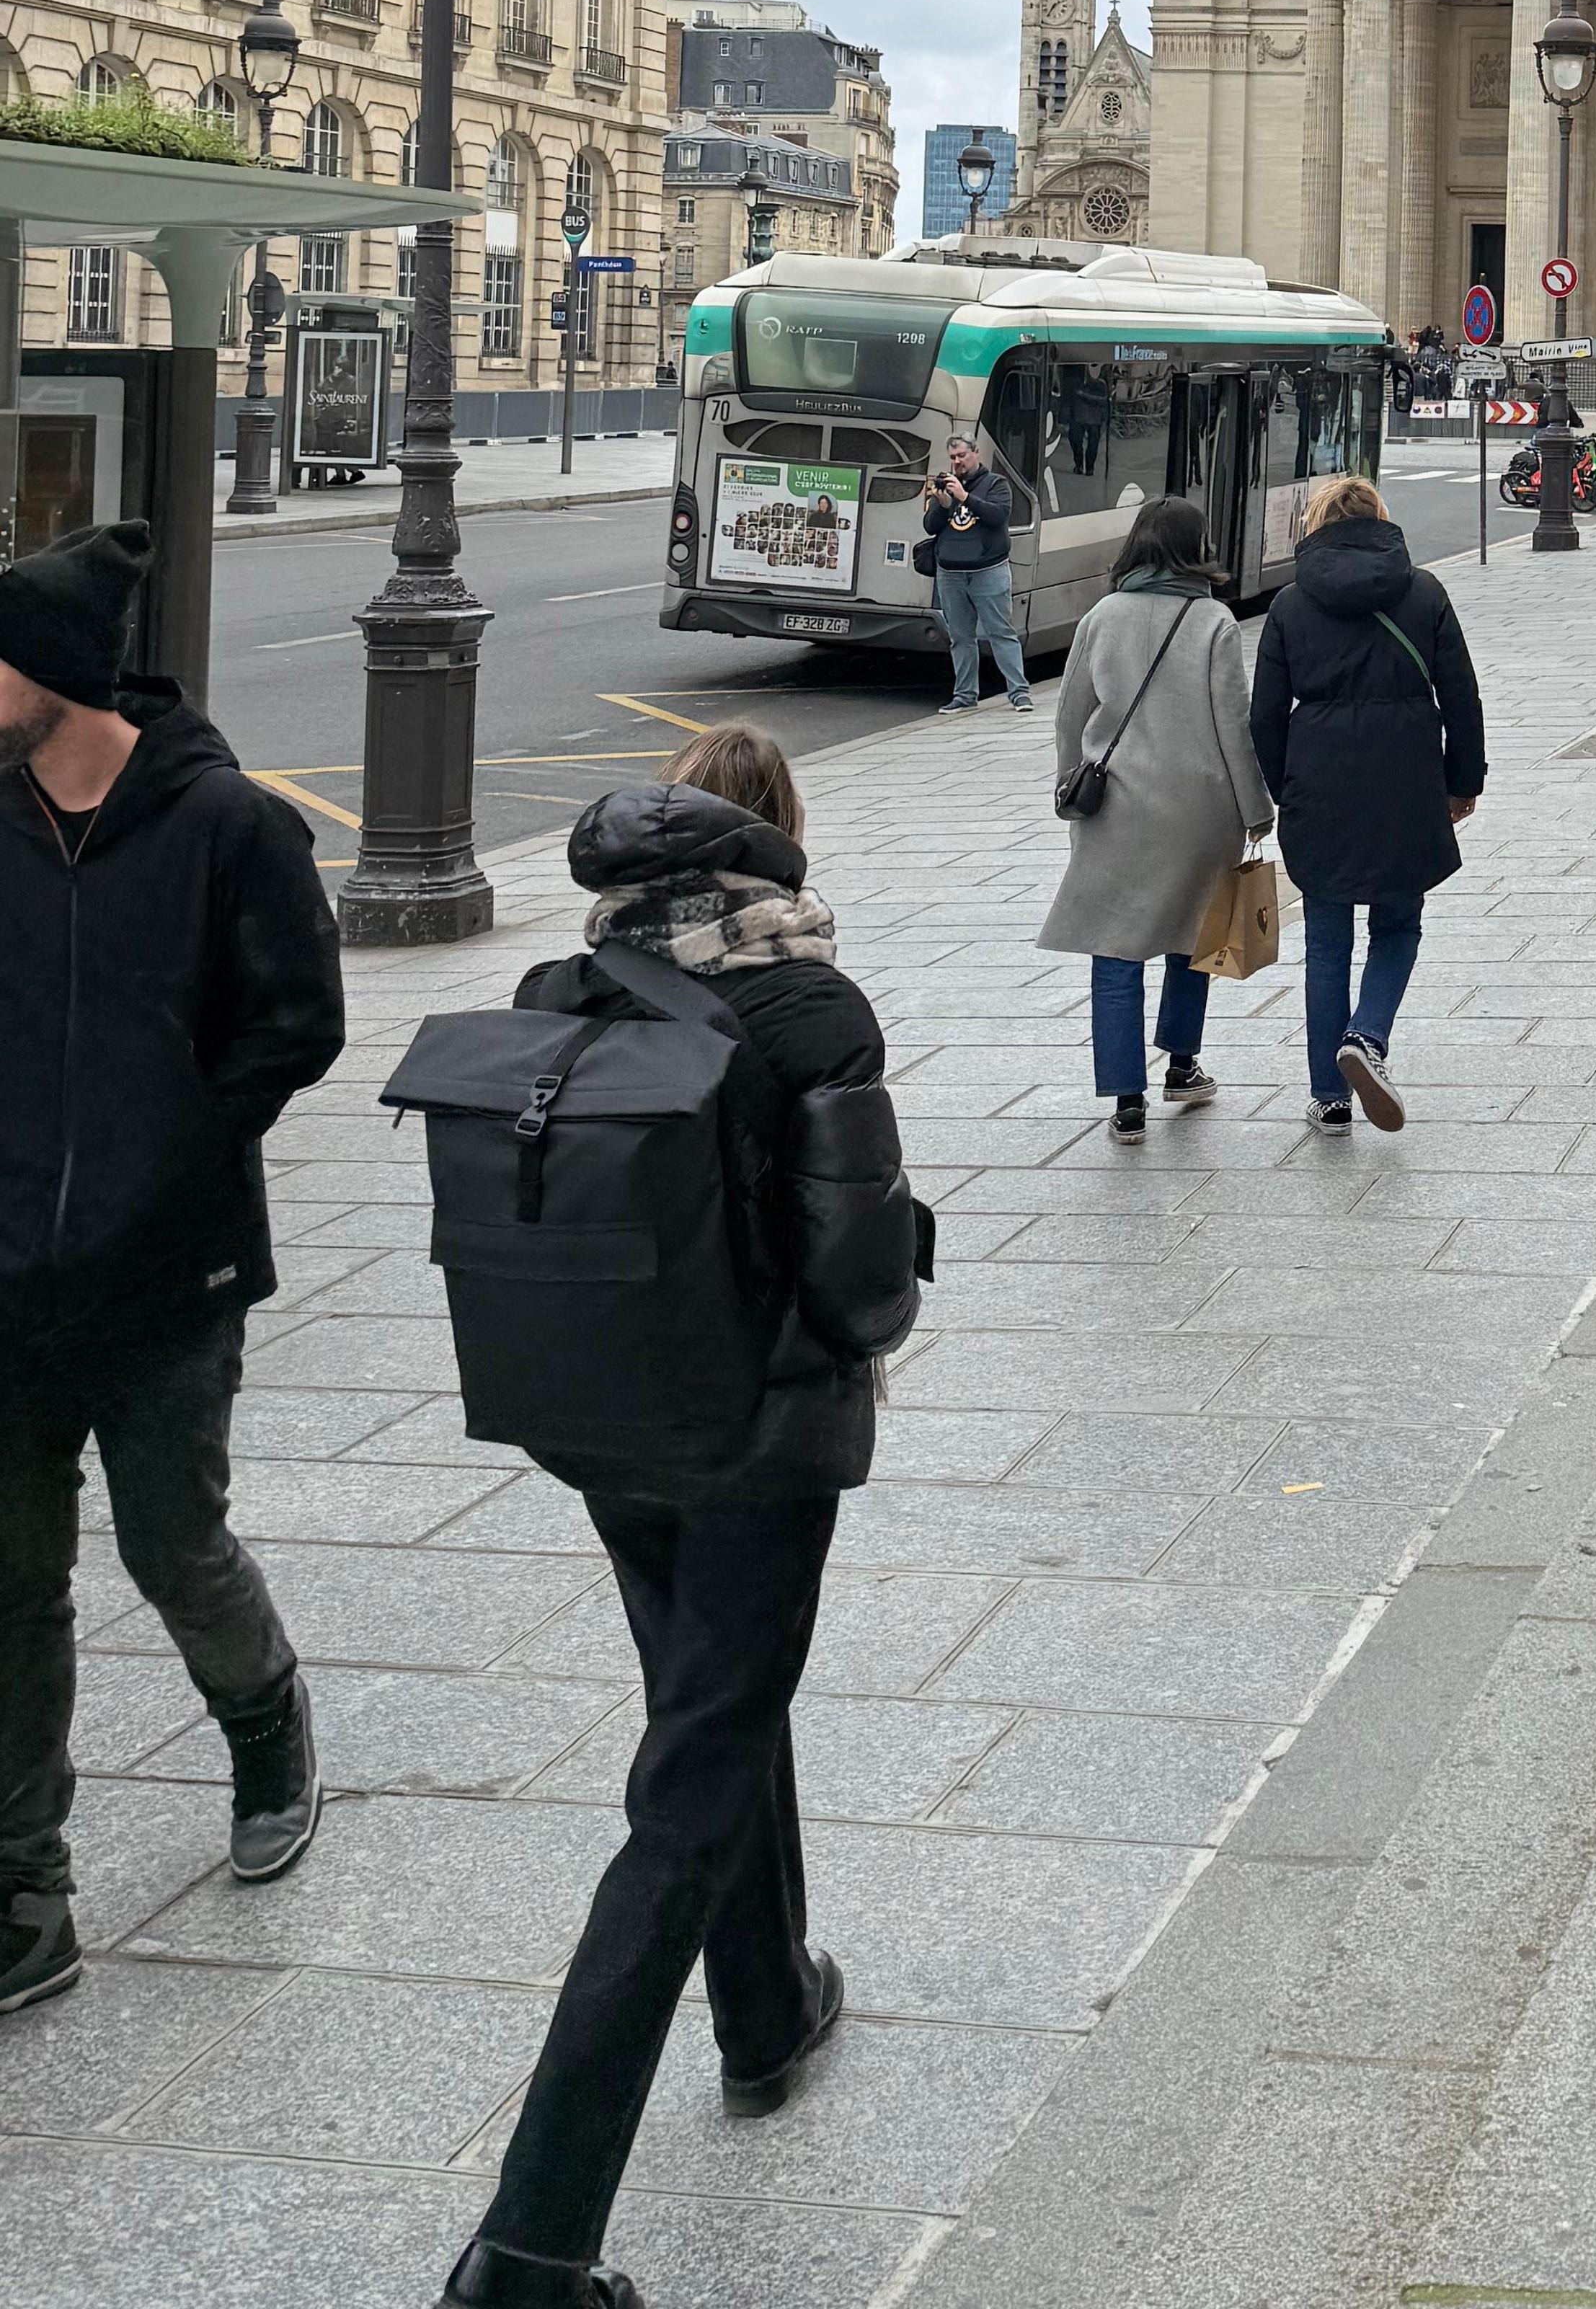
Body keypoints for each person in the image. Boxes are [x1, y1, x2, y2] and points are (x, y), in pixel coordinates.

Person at [441, 722, 921, 2309]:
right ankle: (531, 2243)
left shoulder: (557, 993)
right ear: (773, 848)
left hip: (596, 1417)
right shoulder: (809, 1005)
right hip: (756, 1440)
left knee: (710, 1700)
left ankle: (766, 2003)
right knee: (687, 1788)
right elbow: (860, 1282)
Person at [0, 520, 341, 2027]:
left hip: (167, 1281)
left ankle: (266, 1727)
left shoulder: (227, 827)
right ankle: (25, 1894)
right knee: (11, 1587)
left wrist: (172, 1150)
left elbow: (299, 1024)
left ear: (56, 675)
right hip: (8, 1283)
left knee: (170, 1544)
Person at [1252, 476, 1484, 1135]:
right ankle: (1368, 1036)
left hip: (1320, 781)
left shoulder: (1291, 603)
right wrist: (1462, 783)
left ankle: (1330, 1097)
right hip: (1406, 779)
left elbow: (1264, 714)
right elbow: (1461, 697)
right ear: (1381, 522)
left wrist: (1285, 789)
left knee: (1327, 942)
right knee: (1398, 925)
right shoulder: (1425, 592)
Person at [1039, 497, 1269, 1143]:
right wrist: (1256, 807)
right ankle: (1182, 1065)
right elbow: (1234, 724)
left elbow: (1071, 713)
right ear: (1197, 549)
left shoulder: (1102, 616)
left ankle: (1126, 1101)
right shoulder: (1213, 620)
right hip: (1200, 809)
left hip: (1114, 805)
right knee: (1194, 936)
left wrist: (1068, 783)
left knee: (1116, 948)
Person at [921, 433, 1029, 713]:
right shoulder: (946, 486)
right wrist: (943, 504)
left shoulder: (995, 484)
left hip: (988, 570)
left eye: (962, 456)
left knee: (1000, 632)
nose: (958, 462)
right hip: (951, 573)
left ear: (976, 453)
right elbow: (930, 527)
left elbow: (998, 516)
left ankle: (1019, 693)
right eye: (953, 457)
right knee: (960, 637)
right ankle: (965, 695)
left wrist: (964, 497)